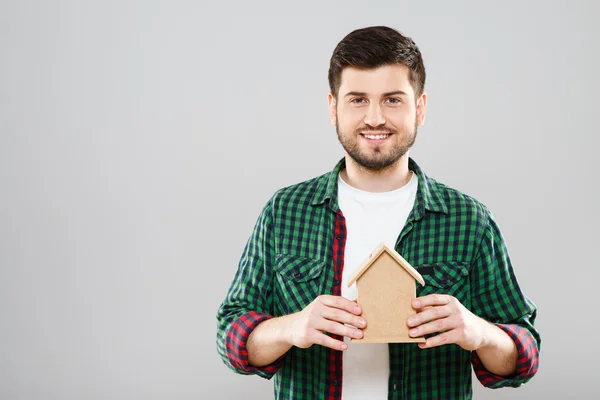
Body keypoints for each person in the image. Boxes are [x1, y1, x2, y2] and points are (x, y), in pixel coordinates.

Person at [215, 25, 540, 400]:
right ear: (332, 107)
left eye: (392, 100)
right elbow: (231, 338)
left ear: (420, 108)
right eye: (357, 100)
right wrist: (293, 327)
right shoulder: (285, 211)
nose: (374, 118)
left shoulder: (468, 219)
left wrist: (480, 332)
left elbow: (524, 355)